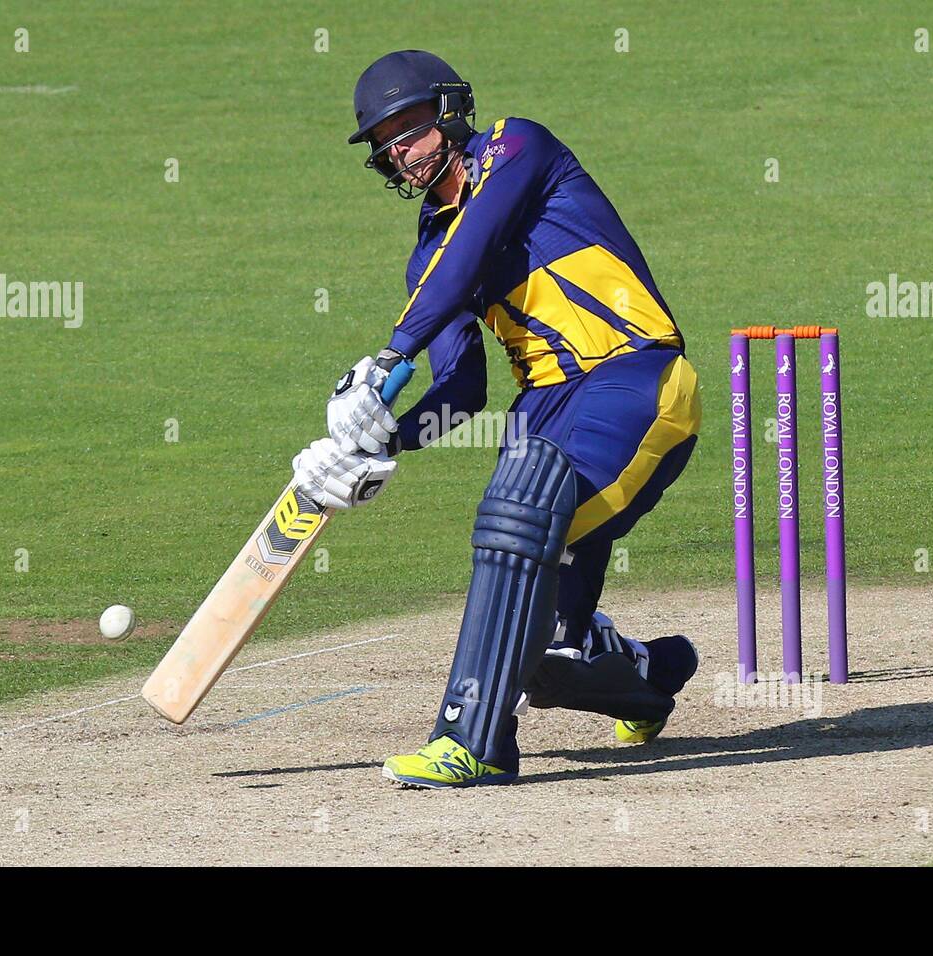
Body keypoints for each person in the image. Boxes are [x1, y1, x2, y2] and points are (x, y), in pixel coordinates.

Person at [292, 50, 702, 788]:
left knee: (515, 521)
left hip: (633, 375)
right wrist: (378, 442)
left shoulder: (519, 148)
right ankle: (647, 672)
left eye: (409, 129)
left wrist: (387, 361)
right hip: (541, 410)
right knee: (543, 661)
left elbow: (470, 250)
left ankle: (473, 741)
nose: (400, 152)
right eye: (385, 144)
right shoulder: (428, 257)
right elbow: (462, 389)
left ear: (450, 111)